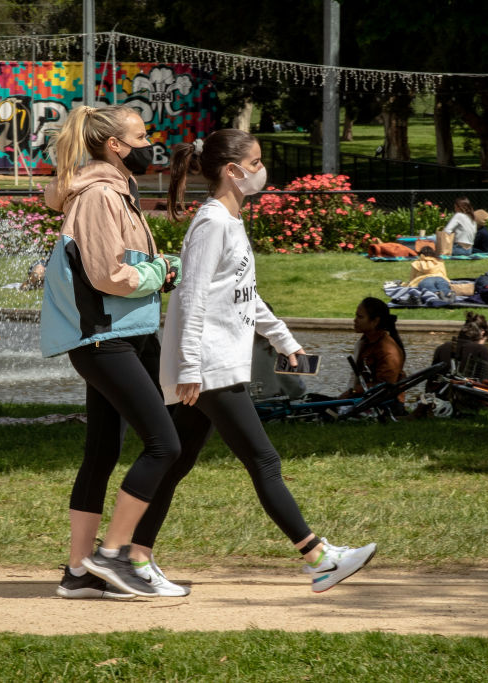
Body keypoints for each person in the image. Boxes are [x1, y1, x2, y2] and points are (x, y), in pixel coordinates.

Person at [139, 129, 377, 594]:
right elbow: (189, 298)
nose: (262, 169)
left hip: (213, 363)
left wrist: (285, 341)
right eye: (256, 161)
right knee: (264, 459)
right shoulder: (212, 222)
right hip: (208, 366)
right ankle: (319, 557)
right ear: (232, 171)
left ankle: (132, 555)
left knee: (177, 461)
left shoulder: (229, 220)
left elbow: (243, 296)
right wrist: (188, 368)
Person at [40, 104, 181, 599]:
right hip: (105, 339)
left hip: (124, 335)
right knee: (165, 443)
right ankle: (112, 557)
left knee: (101, 452)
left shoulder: (119, 189)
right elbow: (107, 275)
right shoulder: (100, 196)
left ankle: (79, 572)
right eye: (141, 137)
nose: (149, 145)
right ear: (115, 146)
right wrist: (159, 274)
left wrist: (154, 271)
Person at [341, 297, 407, 414]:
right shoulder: (366, 341)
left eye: (360, 317)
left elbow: (384, 387)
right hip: (364, 400)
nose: (355, 320)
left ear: (375, 321)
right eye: (356, 316)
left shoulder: (387, 350)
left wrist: (353, 392)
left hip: (385, 406)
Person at [427, 313, 488, 392]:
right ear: (482, 332)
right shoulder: (481, 349)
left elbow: (431, 380)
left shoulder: (441, 348)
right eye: (484, 340)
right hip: (467, 395)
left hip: (441, 393)